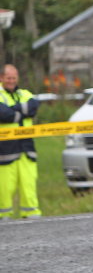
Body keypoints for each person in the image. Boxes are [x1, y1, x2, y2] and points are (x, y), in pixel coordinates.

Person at [0, 64, 41, 219]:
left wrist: (13, 111)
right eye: (8, 78)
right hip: (5, 151)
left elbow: (33, 107)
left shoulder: (25, 93)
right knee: (4, 187)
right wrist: (21, 113)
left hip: (26, 149)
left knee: (28, 184)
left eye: (14, 78)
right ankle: (4, 216)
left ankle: (31, 214)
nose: (11, 81)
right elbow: (3, 114)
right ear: (1, 78)